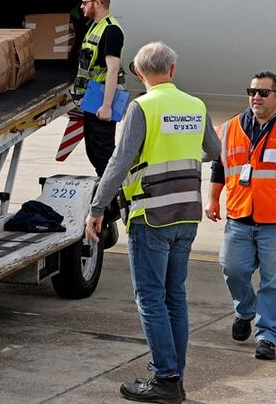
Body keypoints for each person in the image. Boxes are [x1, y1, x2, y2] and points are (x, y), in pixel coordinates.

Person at [85, 42, 220, 403]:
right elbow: (214, 151)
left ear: (141, 74)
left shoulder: (142, 107)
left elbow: (118, 163)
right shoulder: (196, 105)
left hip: (152, 216)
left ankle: (165, 378)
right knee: (175, 296)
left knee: (150, 298)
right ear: (173, 71)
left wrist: (96, 208)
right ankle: (175, 374)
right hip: (187, 214)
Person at [205, 71, 276, 361]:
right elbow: (219, 166)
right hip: (239, 216)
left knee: (274, 281)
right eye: (252, 91)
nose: (256, 97)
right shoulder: (230, 127)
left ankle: (267, 335)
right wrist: (212, 199)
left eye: (263, 92)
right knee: (233, 270)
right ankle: (245, 311)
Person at [72, 0, 125, 177]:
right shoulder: (95, 25)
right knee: (93, 151)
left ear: (98, 2)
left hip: (103, 99)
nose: (82, 7)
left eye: (85, 3)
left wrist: (107, 106)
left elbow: (113, 70)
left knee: (103, 153)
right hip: (92, 98)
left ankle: (115, 201)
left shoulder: (111, 31)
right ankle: (107, 195)